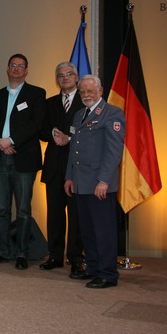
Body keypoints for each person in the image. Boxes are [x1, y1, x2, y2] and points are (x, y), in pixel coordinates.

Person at [0, 53, 46, 270]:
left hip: (24, 159)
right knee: (1, 209)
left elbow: (36, 124)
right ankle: (1, 250)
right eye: (13, 65)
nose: (17, 69)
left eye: (21, 66)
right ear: (7, 69)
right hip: (1, 158)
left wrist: (12, 141)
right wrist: (0, 143)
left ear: (26, 71)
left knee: (22, 210)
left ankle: (21, 252)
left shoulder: (37, 93)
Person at [65, 75, 125, 288]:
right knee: (88, 230)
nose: (86, 95)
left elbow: (113, 151)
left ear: (100, 90)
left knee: (104, 230)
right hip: (81, 183)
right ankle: (92, 267)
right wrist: (69, 177)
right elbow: (74, 149)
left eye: (90, 91)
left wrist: (104, 181)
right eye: (82, 92)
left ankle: (107, 273)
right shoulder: (80, 115)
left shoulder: (112, 114)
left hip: (100, 185)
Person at [38, 62, 85, 273]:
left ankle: (75, 258)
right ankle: (55, 255)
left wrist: (70, 138)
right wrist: (54, 135)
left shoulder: (86, 102)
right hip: (55, 165)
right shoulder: (49, 103)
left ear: (76, 78)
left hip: (77, 168)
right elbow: (41, 130)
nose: (65, 77)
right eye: (61, 75)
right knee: (54, 213)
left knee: (76, 215)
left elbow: (89, 132)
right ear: (56, 79)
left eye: (69, 74)